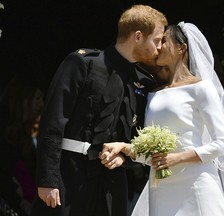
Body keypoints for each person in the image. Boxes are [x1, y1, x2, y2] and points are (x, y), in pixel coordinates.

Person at [100, 22, 224, 216]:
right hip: (160, 189)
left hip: (196, 185)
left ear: (181, 48)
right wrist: (126, 148)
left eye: (164, 41)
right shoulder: (154, 93)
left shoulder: (201, 88)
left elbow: (222, 143)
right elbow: (156, 156)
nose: (158, 47)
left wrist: (176, 158)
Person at [29, 4, 168, 216]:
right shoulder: (82, 63)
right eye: (157, 40)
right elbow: (53, 122)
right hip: (69, 176)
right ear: (138, 36)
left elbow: (137, 136)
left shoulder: (143, 83)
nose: (160, 48)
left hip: (112, 186)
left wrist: (125, 157)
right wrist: (47, 180)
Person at [0, 74, 44, 216]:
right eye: (37, 98)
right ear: (23, 100)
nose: (41, 104)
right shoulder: (5, 136)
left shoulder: (28, 136)